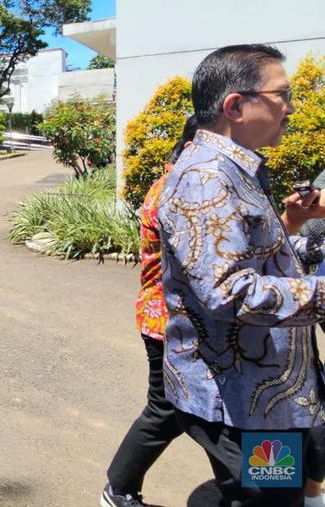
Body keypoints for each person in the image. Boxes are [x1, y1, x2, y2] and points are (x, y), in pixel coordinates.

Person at [158, 44, 325, 504]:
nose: (291, 107)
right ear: (235, 105)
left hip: (264, 398)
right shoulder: (207, 177)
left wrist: (304, 239)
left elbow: (258, 256)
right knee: (275, 500)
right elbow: (229, 290)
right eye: (282, 95)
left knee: (278, 494)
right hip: (241, 403)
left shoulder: (236, 168)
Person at [101, 116, 199, 507]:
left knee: (184, 413)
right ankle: (118, 487)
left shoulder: (190, 185)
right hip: (173, 323)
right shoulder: (178, 191)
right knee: (170, 410)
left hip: (185, 322)